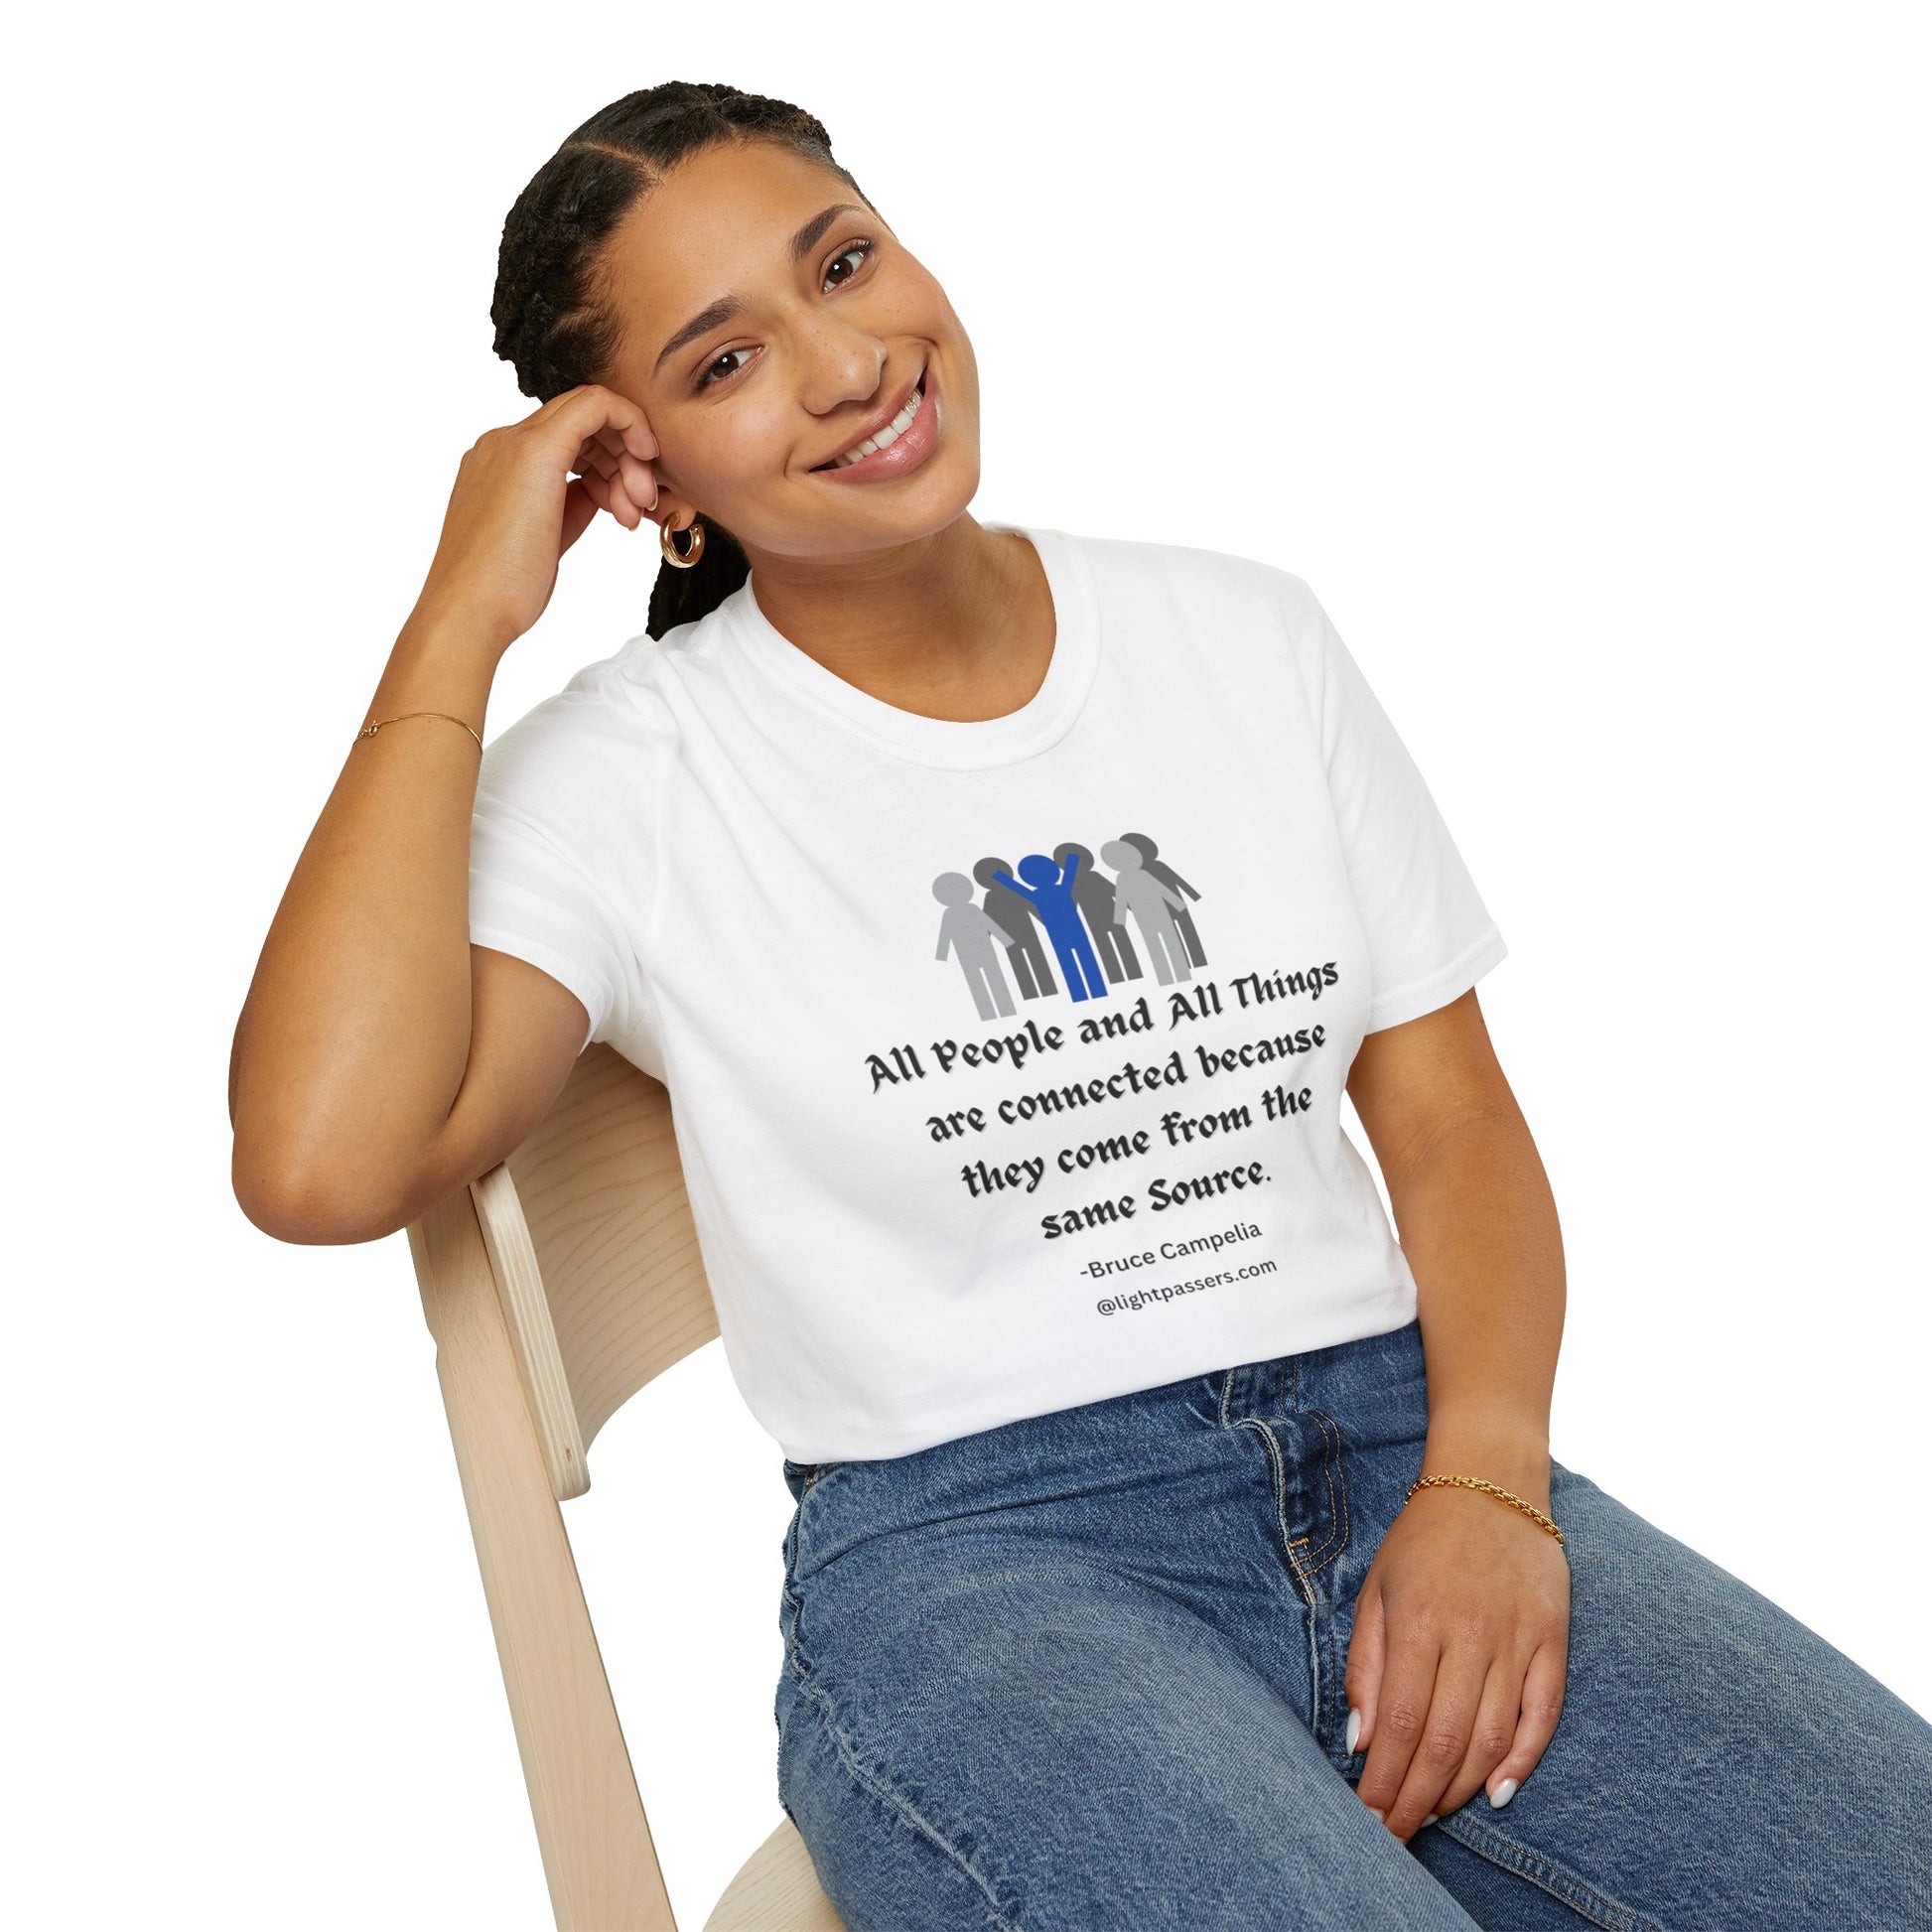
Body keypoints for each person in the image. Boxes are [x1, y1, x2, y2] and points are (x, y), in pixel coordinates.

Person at [228, 81, 1932, 1930]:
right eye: (725, 363)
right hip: (982, 1567)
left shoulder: (1243, 635)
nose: (847, 362)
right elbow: (322, 1159)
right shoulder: (633, 773)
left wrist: (1490, 1484)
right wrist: (455, 618)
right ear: (645, 479)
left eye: (846, 262)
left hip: (1402, 1446)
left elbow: (1447, 1124)